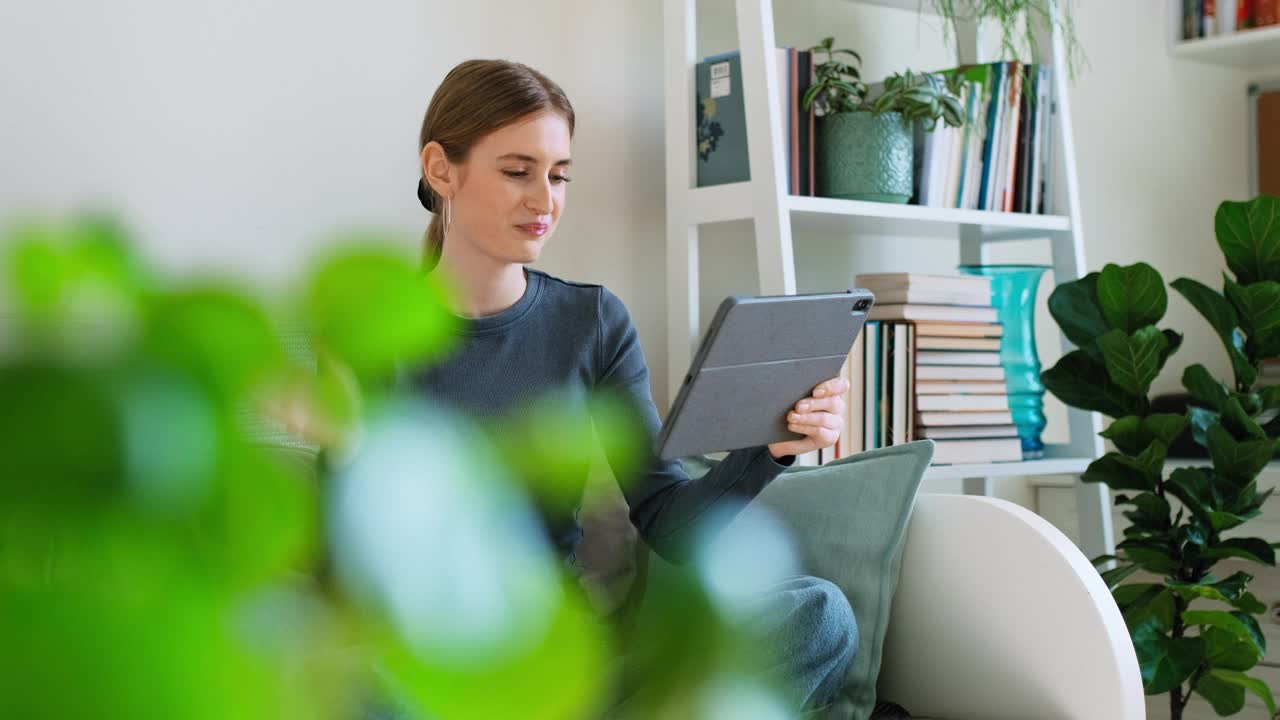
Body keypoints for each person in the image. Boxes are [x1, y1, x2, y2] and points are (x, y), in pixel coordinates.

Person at [407, 58, 859, 714]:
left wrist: (774, 445)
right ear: (442, 169)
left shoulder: (590, 321)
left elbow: (669, 521)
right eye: (517, 171)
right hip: (442, 671)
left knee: (819, 615)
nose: (544, 201)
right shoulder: (376, 339)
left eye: (559, 176)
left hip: (575, 663)